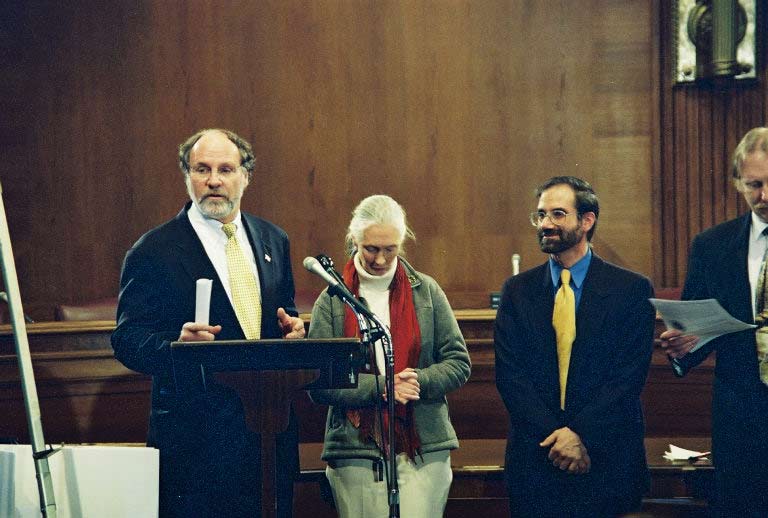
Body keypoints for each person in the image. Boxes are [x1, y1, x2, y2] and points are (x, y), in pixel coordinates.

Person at [111, 128, 305, 518]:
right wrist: (175, 348)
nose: (214, 180)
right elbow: (127, 338)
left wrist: (295, 330)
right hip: (196, 440)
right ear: (187, 176)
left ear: (245, 177)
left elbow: (285, 310)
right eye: (202, 169)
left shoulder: (273, 240)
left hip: (268, 432)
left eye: (225, 169)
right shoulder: (154, 249)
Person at [494, 176, 655, 517]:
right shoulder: (517, 291)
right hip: (537, 459)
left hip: (606, 458)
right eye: (540, 215)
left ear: (587, 220)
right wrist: (558, 437)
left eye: (557, 214)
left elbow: (627, 379)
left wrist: (579, 436)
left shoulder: (631, 290)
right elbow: (511, 376)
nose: (546, 224)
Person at [307, 194, 471, 517]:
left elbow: (459, 362)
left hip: (423, 444)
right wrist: (381, 388)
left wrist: (417, 380)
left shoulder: (427, 291)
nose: (381, 259)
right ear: (354, 240)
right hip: (355, 449)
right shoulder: (331, 300)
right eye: (371, 249)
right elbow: (319, 380)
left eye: (390, 249)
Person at [660, 127, 768, 517]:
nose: (764, 196)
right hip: (740, 417)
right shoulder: (712, 245)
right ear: (737, 182)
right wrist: (682, 347)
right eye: (754, 185)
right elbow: (695, 328)